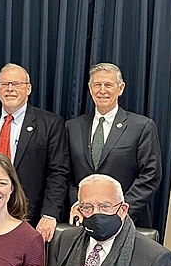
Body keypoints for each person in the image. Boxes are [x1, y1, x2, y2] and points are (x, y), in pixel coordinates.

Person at [0, 63, 68, 241]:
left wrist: (49, 214)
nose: (9, 89)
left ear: (28, 89)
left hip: (32, 218)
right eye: (4, 85)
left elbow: (58, 172)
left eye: (16, 84)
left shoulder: (50, 124)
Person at [66, 63, 162, 228]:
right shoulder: (72, 127)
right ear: (90, 89)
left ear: (121, 88)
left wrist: (120, 210)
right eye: (97, 85)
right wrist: (80, 205)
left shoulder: (142, 126)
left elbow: (150, 175)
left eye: (108, 85)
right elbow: (65, 174)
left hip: (127, 220)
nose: (102, 90)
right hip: (83, 219)